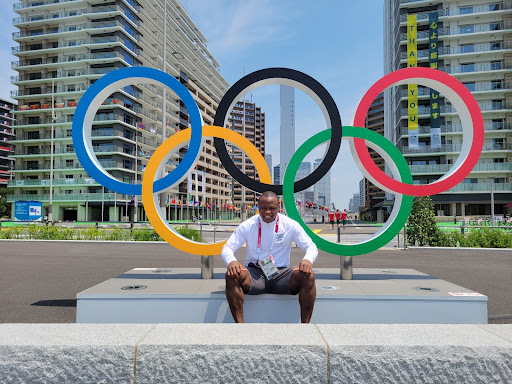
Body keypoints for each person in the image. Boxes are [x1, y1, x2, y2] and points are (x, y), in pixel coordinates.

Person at [222, 191, 318, 323]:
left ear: (279, 208)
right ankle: (240, 327)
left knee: (309, 275)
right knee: (231, 274)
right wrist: (231, 261)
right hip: (254, 274)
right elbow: (227, 248)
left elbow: (311, 247)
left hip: (282, 275)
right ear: (258, 207)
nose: (267, 212)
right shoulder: (248, 225)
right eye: (263, 208)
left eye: (272, 208)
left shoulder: (290, 225)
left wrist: (307, 260)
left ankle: (305, 327)